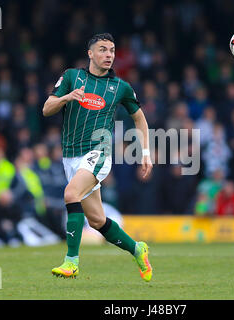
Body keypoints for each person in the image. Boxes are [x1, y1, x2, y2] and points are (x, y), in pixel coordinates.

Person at [42, 33, 153, 281]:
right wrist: (67, 97)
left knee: (71, 194)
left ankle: (71, 262)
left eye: (112, 51)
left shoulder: (120, 87)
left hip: (99, 153)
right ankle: (138, 249)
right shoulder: (72, 77)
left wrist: (145, 152)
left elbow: (140, 118)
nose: (109, 55)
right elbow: (46, 108)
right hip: (70, 156)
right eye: (103, 50)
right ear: (90, 53)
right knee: (97, 220)